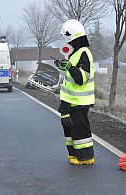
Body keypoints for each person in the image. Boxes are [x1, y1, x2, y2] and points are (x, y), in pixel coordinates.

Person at [54, 19, 95, 165]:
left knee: (79, 129)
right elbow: (71, 73)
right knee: (69, 128)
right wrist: (64, 66)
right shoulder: (75, 53)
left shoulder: (83, 53)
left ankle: (86, 157)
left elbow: (82, 78)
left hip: (80, 101)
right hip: (70, 100)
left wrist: (70, 67)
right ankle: (74, 155)